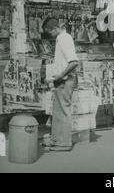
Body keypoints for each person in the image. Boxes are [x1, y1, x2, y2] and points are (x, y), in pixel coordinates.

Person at [43, 18, 78, 151]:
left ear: (54, 28)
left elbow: (74, 62)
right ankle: (57, 140)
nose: (49, 35)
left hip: (65, 79)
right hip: (62, 79)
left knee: (63, 111)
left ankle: (64, 143)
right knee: (58, 111)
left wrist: (61, 74)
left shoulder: (63, 39)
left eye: (49, 32)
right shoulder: (63, 38)